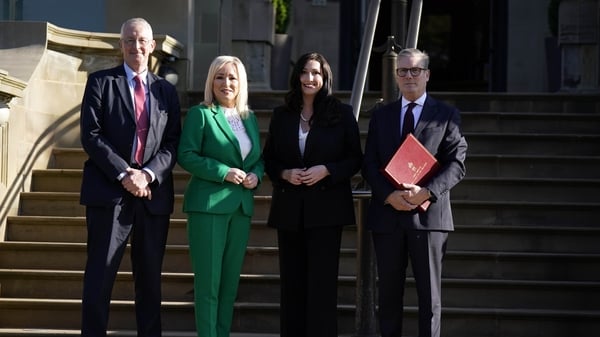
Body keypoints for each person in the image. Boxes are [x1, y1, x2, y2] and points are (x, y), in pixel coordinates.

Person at [79, 17, 182, 337]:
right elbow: (91, 135)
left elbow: (172, 142)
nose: (136, 46)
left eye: (142, 41)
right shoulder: (99, 82)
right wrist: (125, 173)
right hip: (108, 193)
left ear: (152, 47)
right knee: (100, 276)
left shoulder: (166, 91)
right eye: (129, 40)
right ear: (121, 45)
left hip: (152, 197)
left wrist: (147, 175)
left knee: (150, 279)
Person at [362, 47, 468, 337]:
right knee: (388, 299)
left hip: (430, 219)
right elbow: (369, 163)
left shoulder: (446, 114)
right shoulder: (382, 115)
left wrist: (426, 192)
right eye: (403, 71)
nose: (409, 76)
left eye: (415, 70)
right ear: (396, 76)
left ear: (427, 74)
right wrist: (388, 195)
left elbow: (456, 164)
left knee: (430, 300)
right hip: (388, 216)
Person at [262, 52, 363, 337]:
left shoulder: (341, 113)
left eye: (316, 73)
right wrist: (284, 174)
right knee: (291, 285)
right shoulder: (282, 115)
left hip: (327, 210)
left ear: (325, 77)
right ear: (297, 77)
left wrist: (328, 170)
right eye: (305, 72)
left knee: (322, 286)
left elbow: (355, 158)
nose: (310, 78)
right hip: (289, 210)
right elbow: (269, 159)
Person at [177, 55, 264, 337]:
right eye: (219, 77)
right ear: (210, 81)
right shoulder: (200, 114)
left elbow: (257, 160)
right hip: (209, 206)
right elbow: (186, 155)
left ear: (241, 84)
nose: (226, 83)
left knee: (229, 286)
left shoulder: (248, 118)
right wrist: (222, 171)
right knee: (209, 285)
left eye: (232, 78)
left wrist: (256, 176)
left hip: (240, 207)